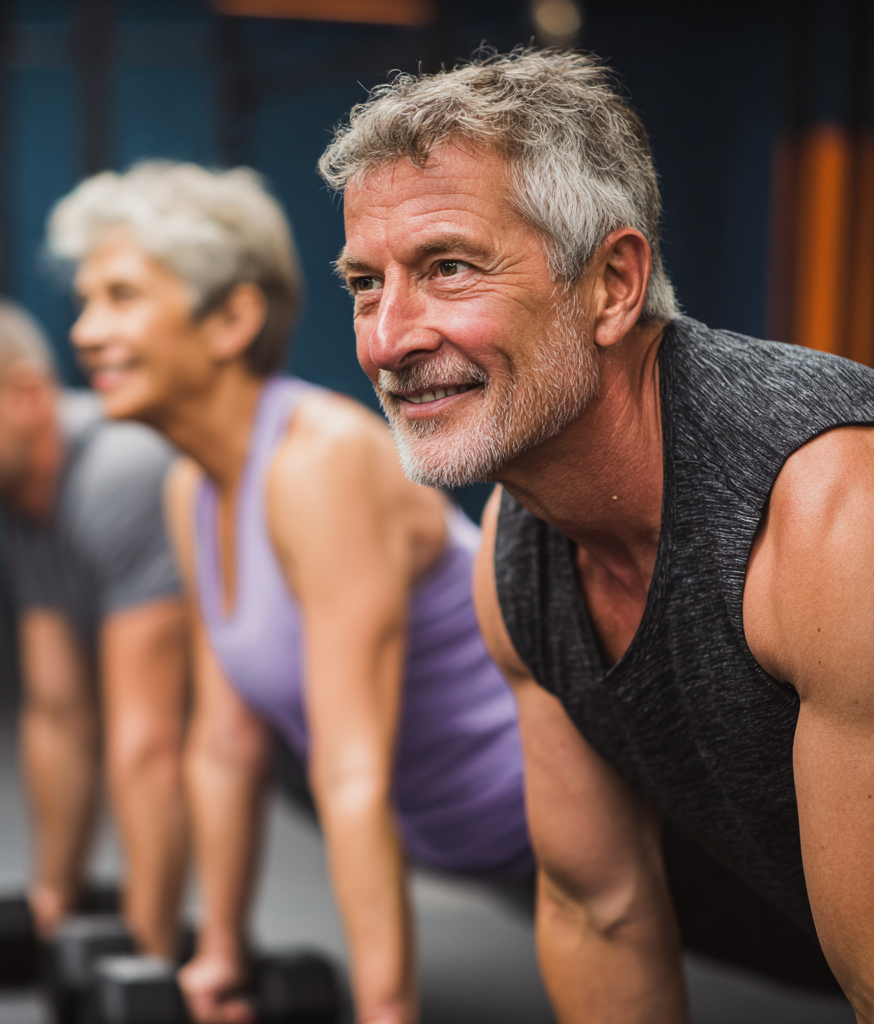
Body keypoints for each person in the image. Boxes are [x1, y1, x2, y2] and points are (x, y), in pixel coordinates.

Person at [319, 46, 874, 1022]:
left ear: (612, 283)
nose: (386, 339)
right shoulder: (518, 547)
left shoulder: (830, 516)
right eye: (366, 282)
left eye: (447, 268)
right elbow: (597, 906)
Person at [46, 160, 533, 1024]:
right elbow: (225, 746)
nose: (85, 332)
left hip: (538, 824)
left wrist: (387, 1014)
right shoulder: (193, 488)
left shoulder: (322, 461)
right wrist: (220, 956)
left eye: (121, 297)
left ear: (233, 318)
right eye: (85, 303)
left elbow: (352, 774)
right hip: (445, 833)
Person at [0, 295, 189, 957]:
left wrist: (148, 962)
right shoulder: (26, 498)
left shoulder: (118, 473)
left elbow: (149, 745)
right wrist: (54, 902)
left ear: (24, 397)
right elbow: (59, 715)